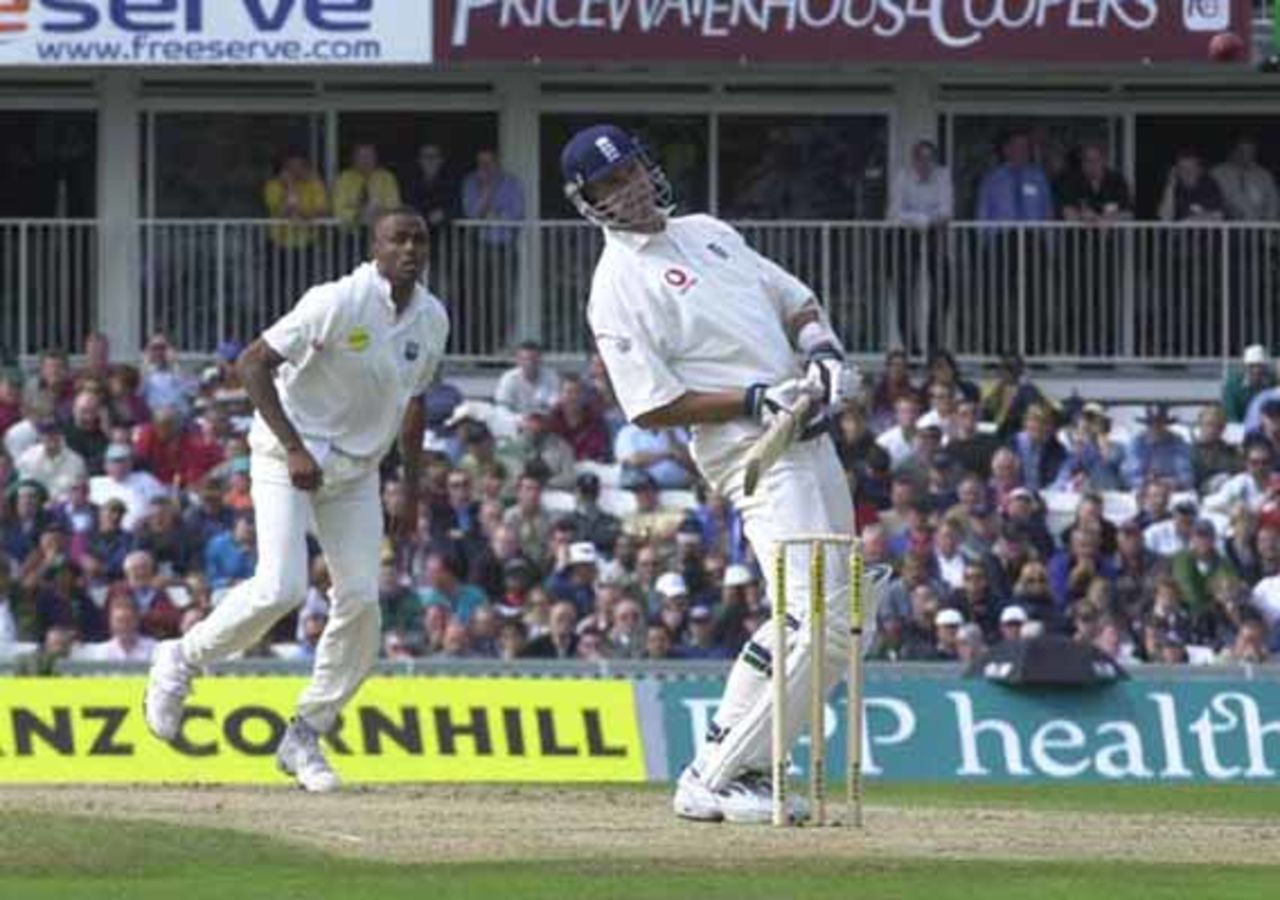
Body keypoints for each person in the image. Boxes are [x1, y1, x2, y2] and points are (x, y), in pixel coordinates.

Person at [563, 123, 877, 825]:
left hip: (812, 436)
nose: (631, 189)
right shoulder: (616, 283)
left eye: (634, 172)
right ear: (589, 202)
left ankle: (747, 766)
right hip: (752, 450)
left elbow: (795, 300)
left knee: (842, 624)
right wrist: (755, 397)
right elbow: (649, 406)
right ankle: (713, 773)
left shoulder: (708, 230)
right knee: (816, 620)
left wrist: (821, 354)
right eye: (610, 185)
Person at [143, 208, 448, 793]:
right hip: (287, 459)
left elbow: (415, 406)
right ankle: (180, 659)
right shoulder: (336, 300)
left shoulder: (432, 319)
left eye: (419, 240)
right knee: (282, 587)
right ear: (375, 247)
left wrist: (409, 491)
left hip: (357, 472)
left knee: (361, 601)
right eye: (398, 239)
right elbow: (252, 363)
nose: (410, 248)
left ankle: (306, 731)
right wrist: (295, 446)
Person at [888, 139, 953, 353]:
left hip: (936, 234)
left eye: (929, 158)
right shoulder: (903, 177)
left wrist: (922, 220)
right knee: (905, 289)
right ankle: (911, 346)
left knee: (941, 288)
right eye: (920, 158)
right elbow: (896, 211)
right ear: (914, 160)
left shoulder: (942, 176)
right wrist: (923, 220)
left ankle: (934, 344)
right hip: (906, 236)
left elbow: (946, 210)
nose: (925, 164)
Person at [333, 144, 402, 229]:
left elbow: (394, 206)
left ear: (376, 158)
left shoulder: (387, 178)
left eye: (369, 156)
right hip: (352, 232)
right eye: (361, 156)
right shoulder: (344, 178)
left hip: (382, 231)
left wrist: (379, 213)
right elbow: (338, 208)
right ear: (353, 158)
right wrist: (358, 215)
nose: (366, 160)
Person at [1212, 136, 1279, 222]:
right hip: (1229, 228)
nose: (1246, 155)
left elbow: (1273, 202)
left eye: (1251, 151)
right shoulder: (1217, 173)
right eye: (1242, 151)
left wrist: (1269, 225)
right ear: (1233, 151)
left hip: (1260, 227)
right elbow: (1213, 202)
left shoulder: (1264, 175)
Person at [494, 340, 560, 414]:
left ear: (540, 359)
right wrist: (518, 420)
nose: (529, 363)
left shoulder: (550, 377)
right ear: (518, 360)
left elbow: (554, 402)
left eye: (533, 359)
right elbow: (502, 406)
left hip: (543, 420)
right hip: (516, 420)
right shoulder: (509, 378)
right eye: (525, 359)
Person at [1223, 345, 1275, 423]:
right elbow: (1231, 415)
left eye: (1260, 365)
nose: (1256, 370)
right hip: (1239, 429)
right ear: (1244, 366)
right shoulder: (1232, 385)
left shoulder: (1272, 383)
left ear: (1265, 367)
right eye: (1252, 366)